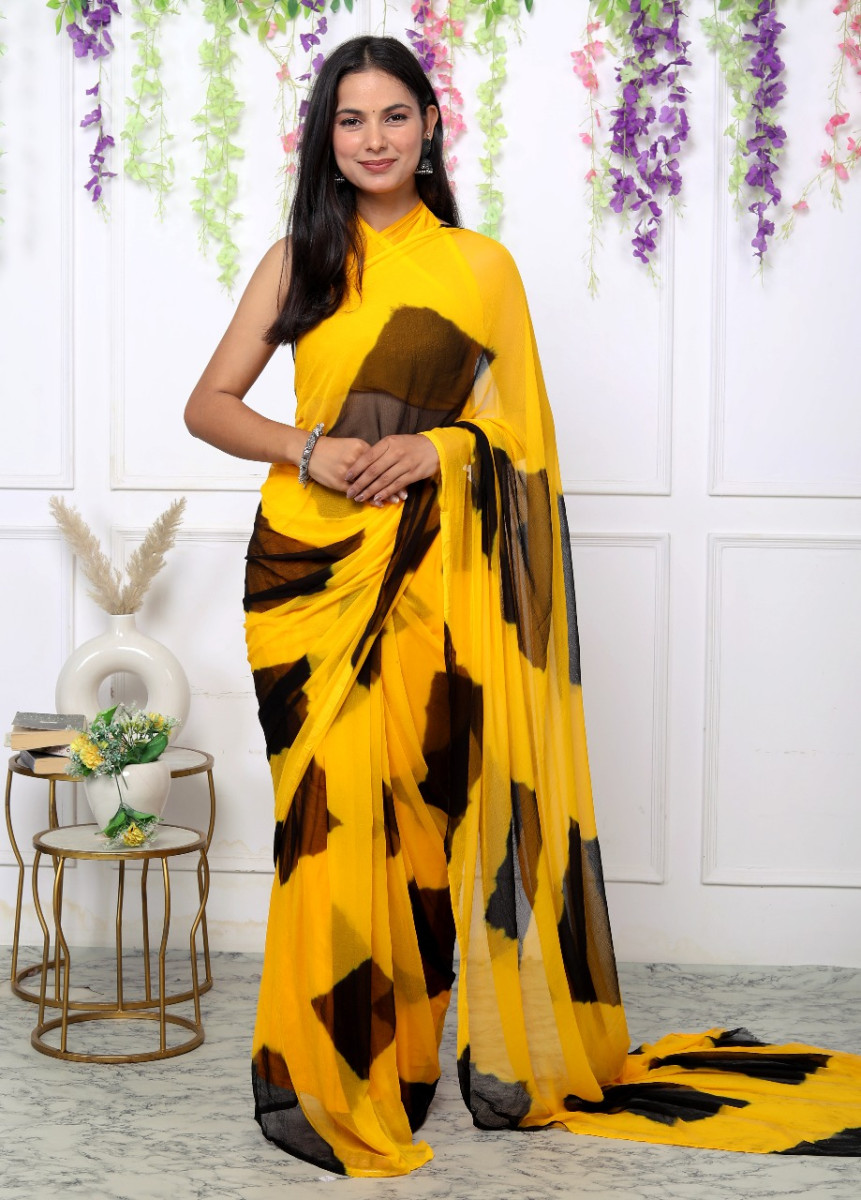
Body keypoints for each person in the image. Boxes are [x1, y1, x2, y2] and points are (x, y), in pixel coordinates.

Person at [186, 35, 861, 1179]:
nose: (374, 139)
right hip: (312, 579)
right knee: (328, 818)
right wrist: (311, 447)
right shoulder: (299, 260)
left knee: (419, 814)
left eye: (394, 115)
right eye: (350, 120)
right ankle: (329, 1070)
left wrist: (441, 450)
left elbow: (523, 437)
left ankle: (403, 1059)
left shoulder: (481, 268)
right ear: (325, 139)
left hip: (438, 575)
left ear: (430, 126)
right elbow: (208, 404)